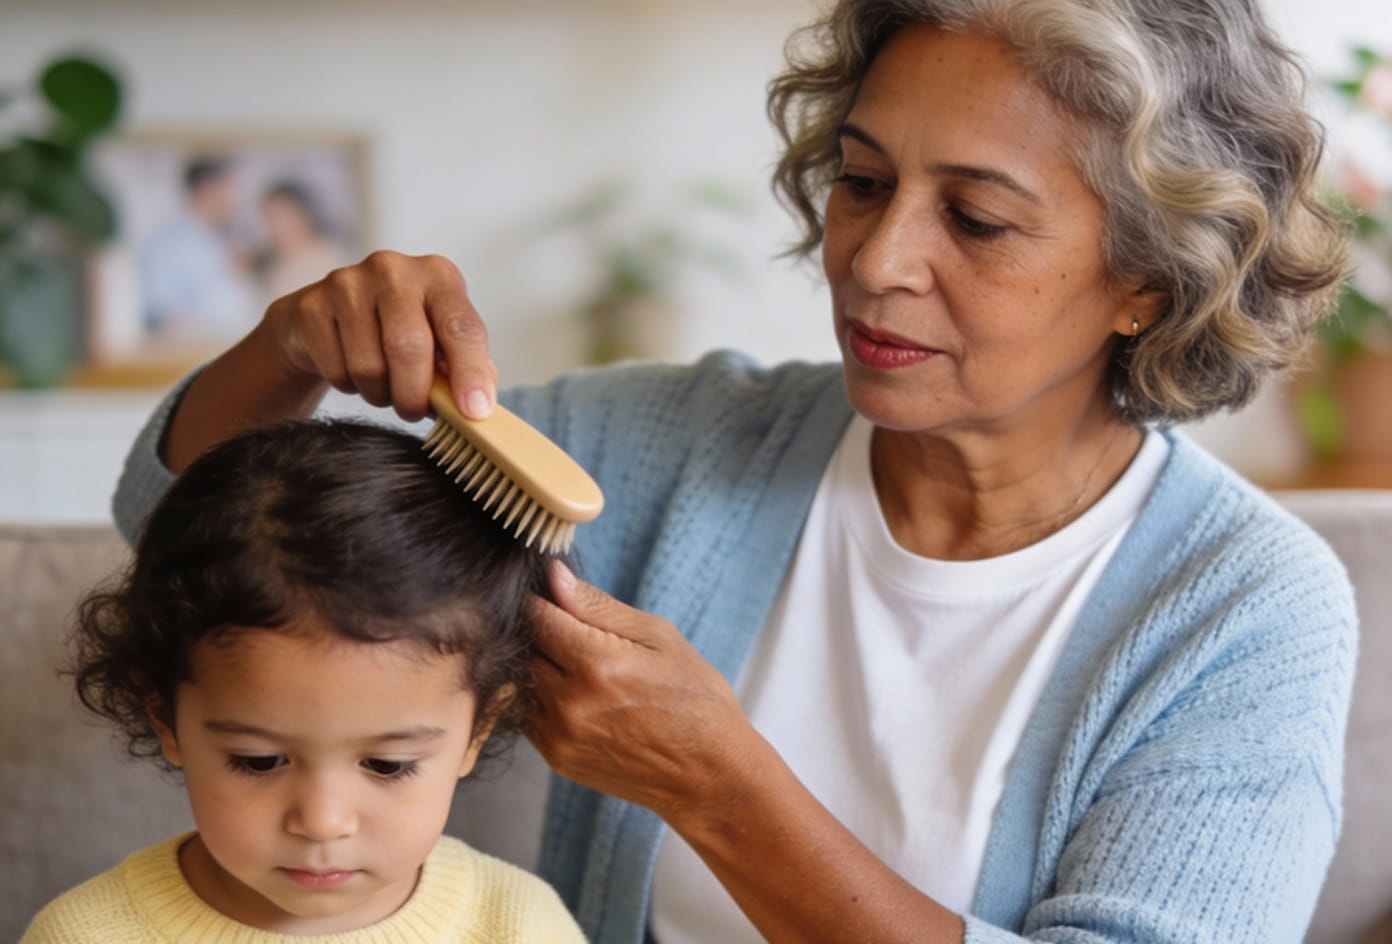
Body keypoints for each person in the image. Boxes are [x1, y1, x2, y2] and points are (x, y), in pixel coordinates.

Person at [110, 0, 1358, 941]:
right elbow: (202, 539)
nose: (873, 261)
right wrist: (288, 343)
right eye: (861, 183)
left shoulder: (1247, 606)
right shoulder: (675, 448)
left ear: (1150, 276)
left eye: (973, 219)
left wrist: (726, 791)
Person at [23, 421, 586, 943]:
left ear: (479, 728)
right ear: (164, 715)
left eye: (388, 765)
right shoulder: (86, 934)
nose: (322, 822)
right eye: (259, 761)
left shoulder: (519, 926)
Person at [139, 155, 257, 342]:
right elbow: (162, 312)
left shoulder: (225, 240)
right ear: (207, 190)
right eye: (229, 189)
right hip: (191, 354)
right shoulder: (166, 245)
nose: (236, 200)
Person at [255, 179, 353, 308]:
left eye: (283, 216)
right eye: (270, 217)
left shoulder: (327, 258)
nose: (276, 226)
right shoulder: (274, 264)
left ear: (303, 214)